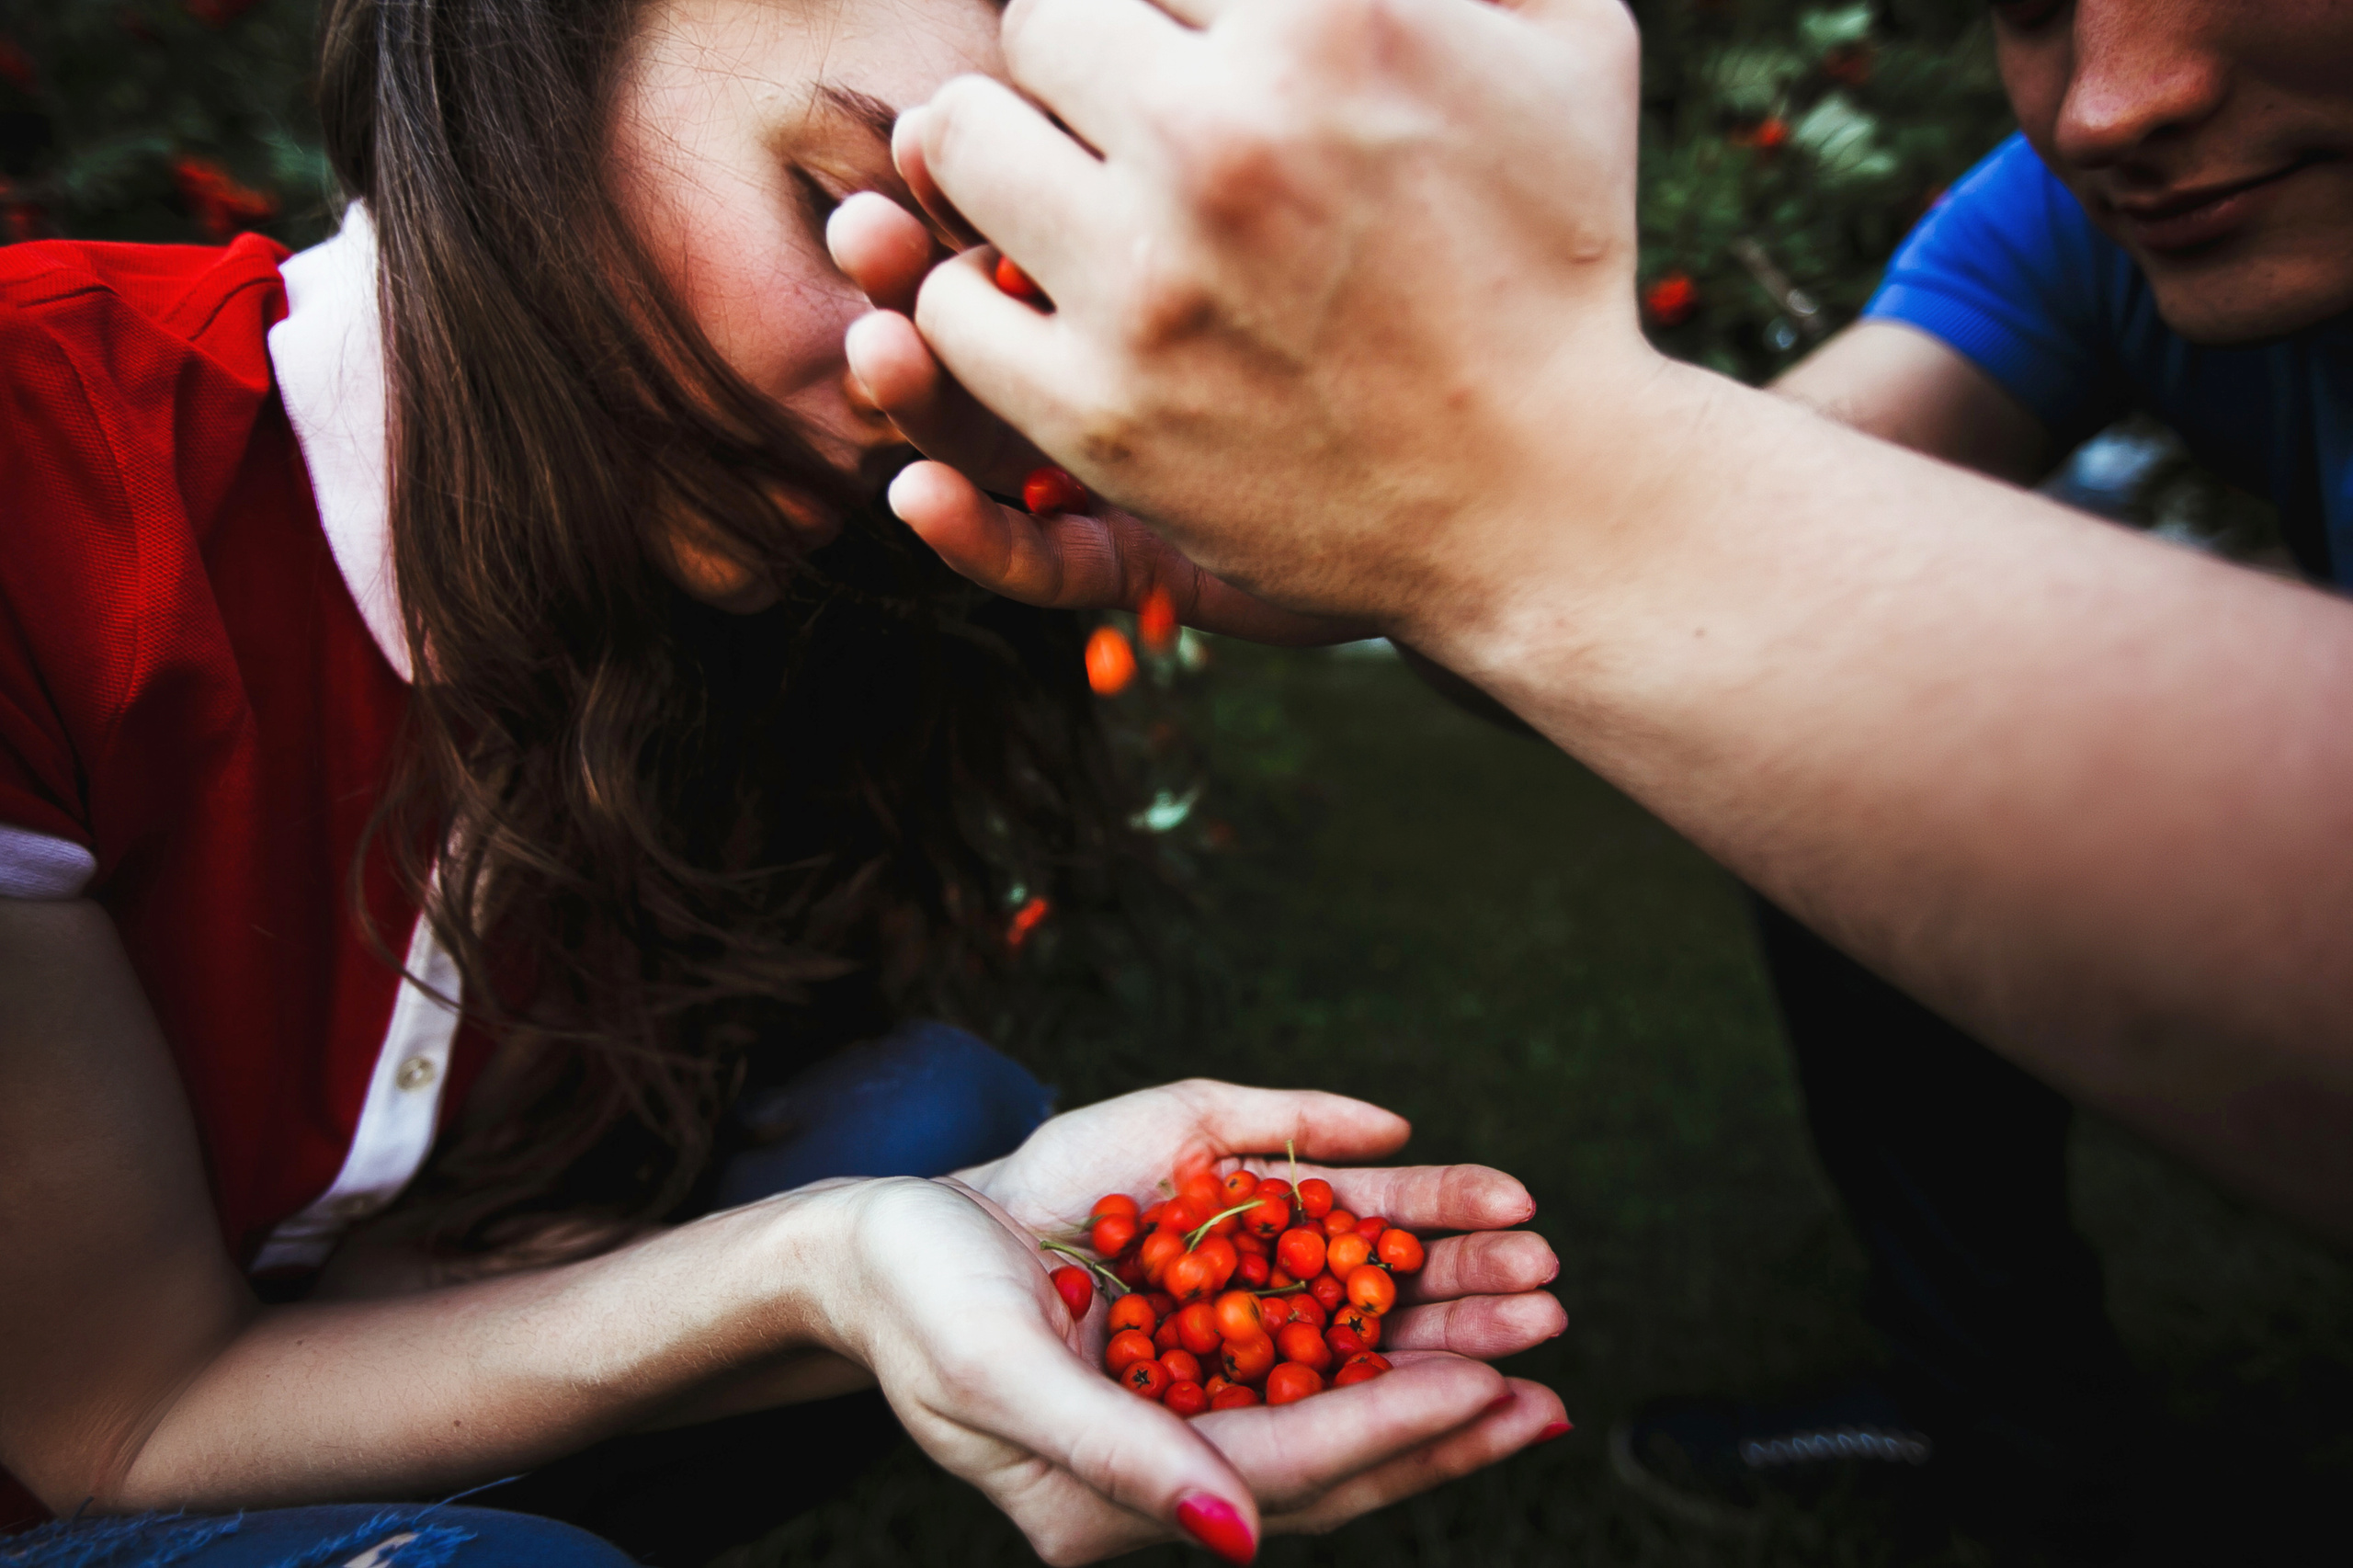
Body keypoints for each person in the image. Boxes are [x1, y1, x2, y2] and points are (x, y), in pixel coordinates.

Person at [0, 0, 1574, 1562]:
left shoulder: (743, 610)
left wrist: (1370, 539)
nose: (920, 391)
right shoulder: (40, 482)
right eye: (843, 210)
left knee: (949, 1136)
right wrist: (809, 1281)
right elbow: (122, 1425)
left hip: (290, 1347)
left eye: (1027, 304)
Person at [821, 0, 2353, 1547]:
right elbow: (1738, 579)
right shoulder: (2058, 220)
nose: (2106, 108)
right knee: (1802, 751)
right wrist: (1412, 531)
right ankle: (2012, 1418)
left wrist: (1517, 480)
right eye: (2030, 7)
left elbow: (1633, 536)